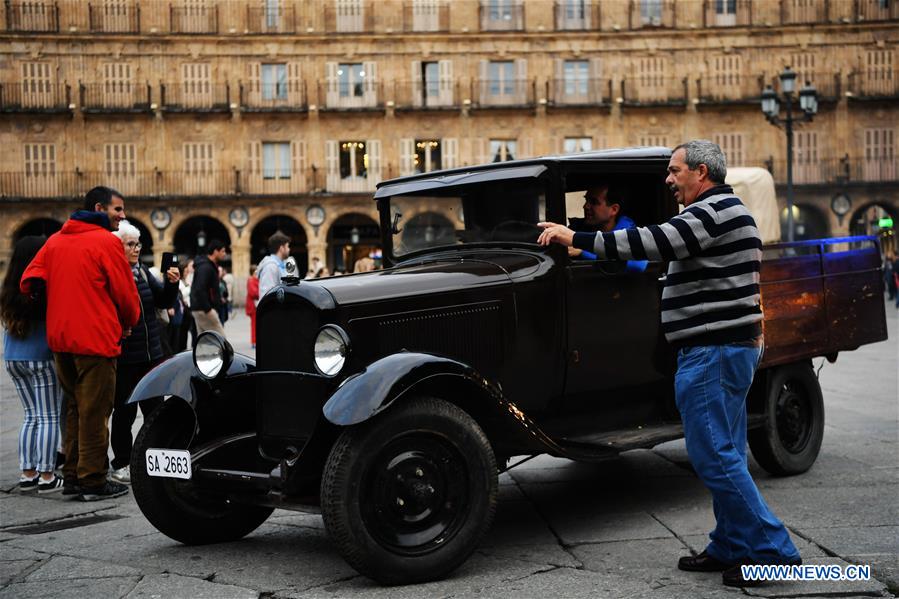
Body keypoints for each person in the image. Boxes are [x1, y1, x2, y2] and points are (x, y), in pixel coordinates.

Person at [537, 140, 801, 587]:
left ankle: (773, 550)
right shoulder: (726, 211)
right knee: (728, 451)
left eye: (675, 171)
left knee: (714, 456)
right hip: (725, 349)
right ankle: (731, 543)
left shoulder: (709, 213)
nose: (668, 179)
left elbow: (650, 242)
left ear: (701, 172)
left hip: (711, 352)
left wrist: (573, 237)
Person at [20, 186, 141, 502]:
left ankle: (72, 475)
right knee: (96, 411)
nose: (122, 215)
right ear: (100, 208)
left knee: (73, 408)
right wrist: (128, 321)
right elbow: (126, 294)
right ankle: (93, 480)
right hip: (95, 339)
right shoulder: (105, 242)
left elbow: (29, 279)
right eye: (118, 209)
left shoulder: (56, 241)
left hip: (61, 338)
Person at [108, 220, 180, 484]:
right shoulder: (113, 274)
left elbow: (163, 301)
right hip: (127, 355)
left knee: (156, 409)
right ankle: (122, 462)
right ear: (118, 247)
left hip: (152, 353)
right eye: (130, 244)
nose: (136, 249)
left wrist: (171, 284)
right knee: (124, 411)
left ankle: (157, 458)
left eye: (138, 244)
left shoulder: (142, 272)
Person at [2, 236, 65, 493]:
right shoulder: (40, 285)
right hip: (40, 355)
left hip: (13, 356)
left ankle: (28, 473)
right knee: (49, 415)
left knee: (30, 416)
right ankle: (47, 476)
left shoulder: (9, 287)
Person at [569, 183, 648, 272]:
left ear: (614, 209)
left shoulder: (629, 234)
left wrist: (582, 252)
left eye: (594, 202)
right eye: (586, 200)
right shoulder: (578, 228)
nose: (586, 206)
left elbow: (638, 265)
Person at [190, 240, 228, 336]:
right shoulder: (206, 267)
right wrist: (208, 309)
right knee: (220, 340)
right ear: (215, 252)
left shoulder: (207, 265)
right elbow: (199, 288)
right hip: (204, 310)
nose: (225, 254)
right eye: (223, 251)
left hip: (200, 309)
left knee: (204, 341)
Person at [257, 232, 291, 297]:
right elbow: (268, 296)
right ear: (281, 248)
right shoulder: (270, 267)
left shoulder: (279, 265)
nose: (289, 249)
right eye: (287, 246)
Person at [175, 259, 196, 350]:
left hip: (187, 309)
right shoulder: (179, 282)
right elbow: (181, 294)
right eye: (186, 271)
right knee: (182, 333)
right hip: (182, 310)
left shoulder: (186, 281)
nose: (187, 273)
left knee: (185, 332)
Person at [246, 265, 259, 348]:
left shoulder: (256, 280)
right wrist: (261, 292)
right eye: (256, 271)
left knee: (256, 323)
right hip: (253, 305)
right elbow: (253, 292)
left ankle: (255, 340)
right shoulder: (251, 280)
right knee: (254, 324)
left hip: (256, 304)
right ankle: (254, 341)